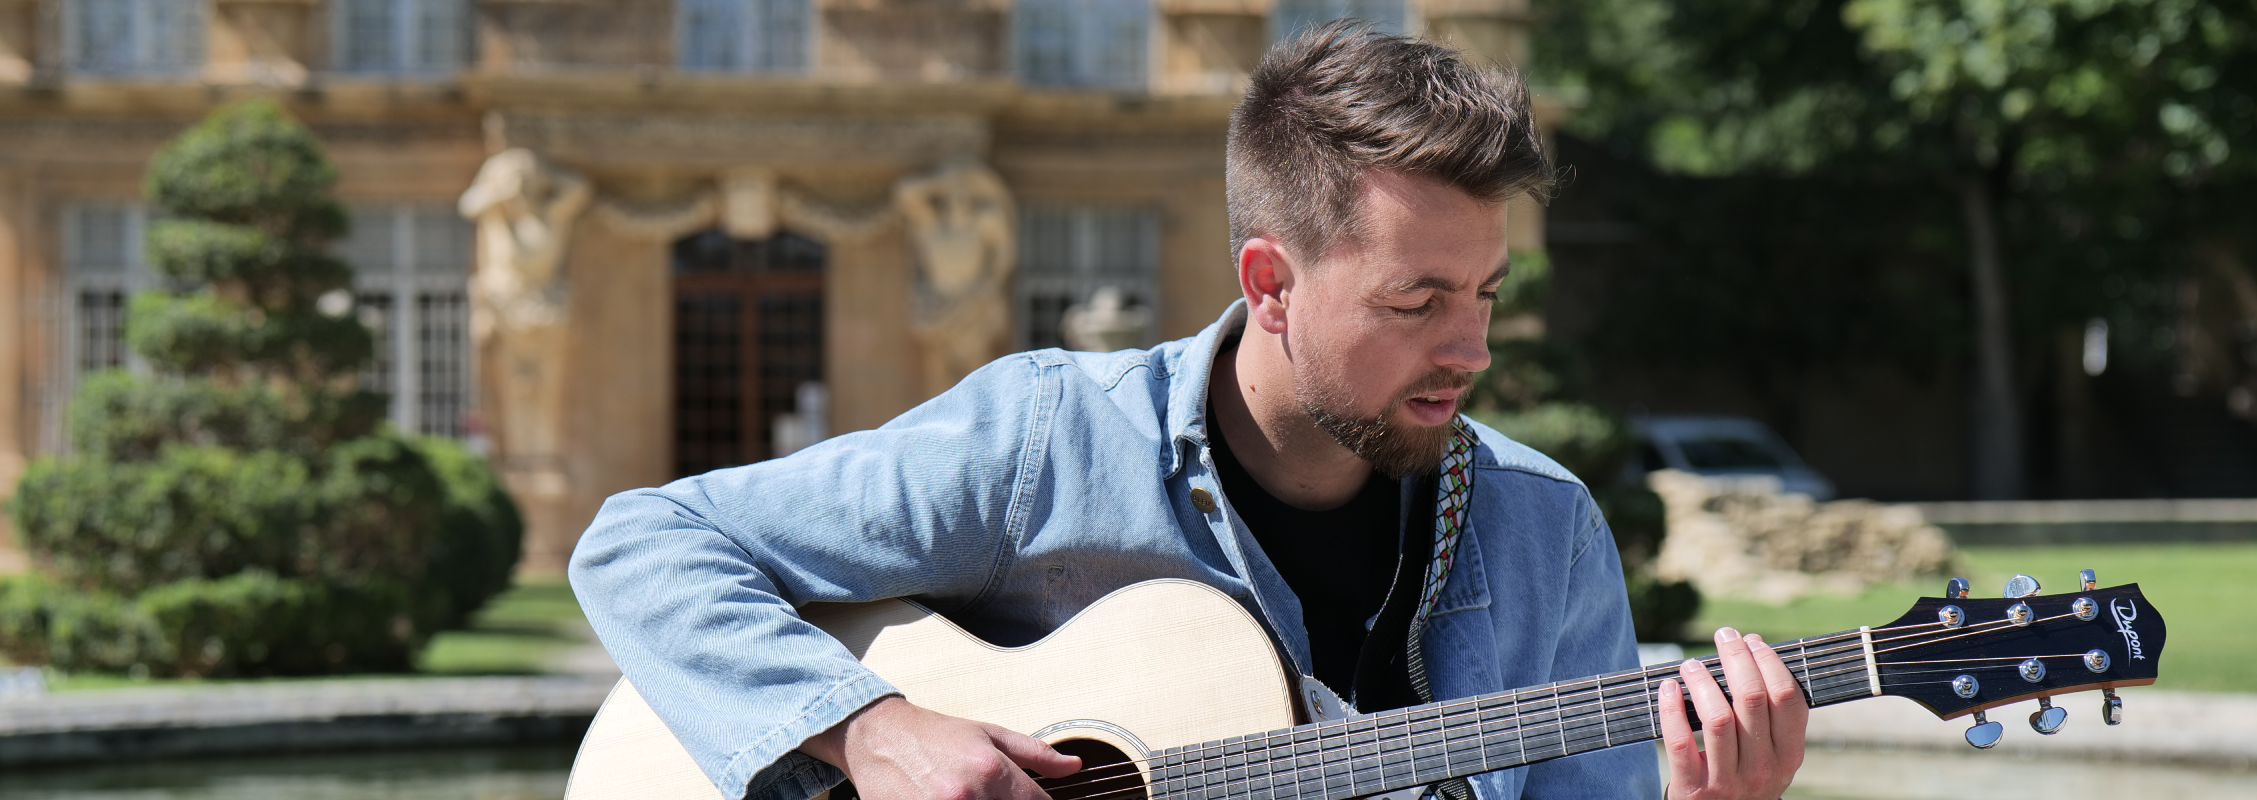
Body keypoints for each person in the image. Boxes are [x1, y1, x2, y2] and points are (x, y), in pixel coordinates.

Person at [571, 25, 1808, 800]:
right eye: (1418, 298)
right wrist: (870, 729)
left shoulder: (1548, 534)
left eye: (1486, 292)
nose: (1472, 347)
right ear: (1269, 282)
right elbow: (642, 542)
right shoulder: (1048, 441)